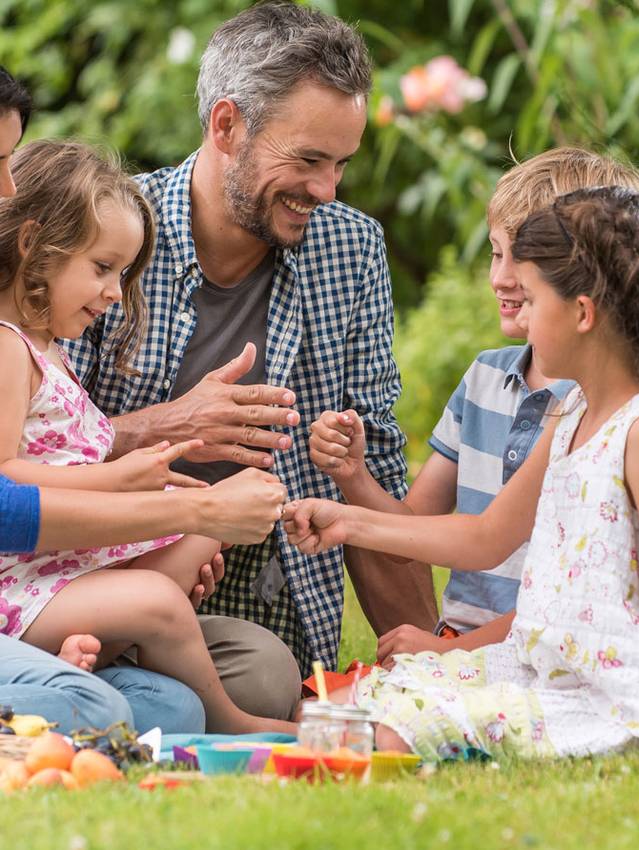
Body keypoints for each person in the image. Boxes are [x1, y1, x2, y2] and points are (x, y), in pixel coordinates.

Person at [285, 187, 639, 774]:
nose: (522, 313)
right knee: (332, 710)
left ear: (582, 313)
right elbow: (485, 536)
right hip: (539, 668)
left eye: (535, 298)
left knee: (371, 739)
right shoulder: (574, 414)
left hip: (613, 708)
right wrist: (348, 520)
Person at [64, 1, 437, 678]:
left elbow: (373, 475)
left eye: (342, 164)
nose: (326, 189)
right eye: (309, 159)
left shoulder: (351, 250)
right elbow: (34, 452)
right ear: (227, 125)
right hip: (92, 582)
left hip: (260, 605)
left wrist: (434, 667)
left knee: (266, 681)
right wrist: (168, 427)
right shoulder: (103, 238)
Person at [310, 149, 639, 667]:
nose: (502, 278)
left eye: (524, 261)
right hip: (463, 645)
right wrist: (353, 477)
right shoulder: (485, 380)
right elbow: (411, 538)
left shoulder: (602, 413)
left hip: (544, 652)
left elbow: (569, 602)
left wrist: (448, 654)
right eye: (496, 253)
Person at [0, 139, 294, 735]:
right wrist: (119, 478)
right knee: (158, 601)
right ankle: (230, 721)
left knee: (200, 534)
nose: (114, 292)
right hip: (18, 584)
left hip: (62, 570)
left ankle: (86, 663)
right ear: (33, 245)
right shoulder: (7, 348)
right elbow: (6, 478)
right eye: (102, 268)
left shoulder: (50, 352)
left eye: (124, 273)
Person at [0, 467, 290, 734]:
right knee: (105, 705)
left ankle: (82, 665)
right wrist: (198, 505)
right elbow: (10, 498)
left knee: (181, 707)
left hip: (57, 575)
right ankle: (228, 723)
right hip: (19, 590)